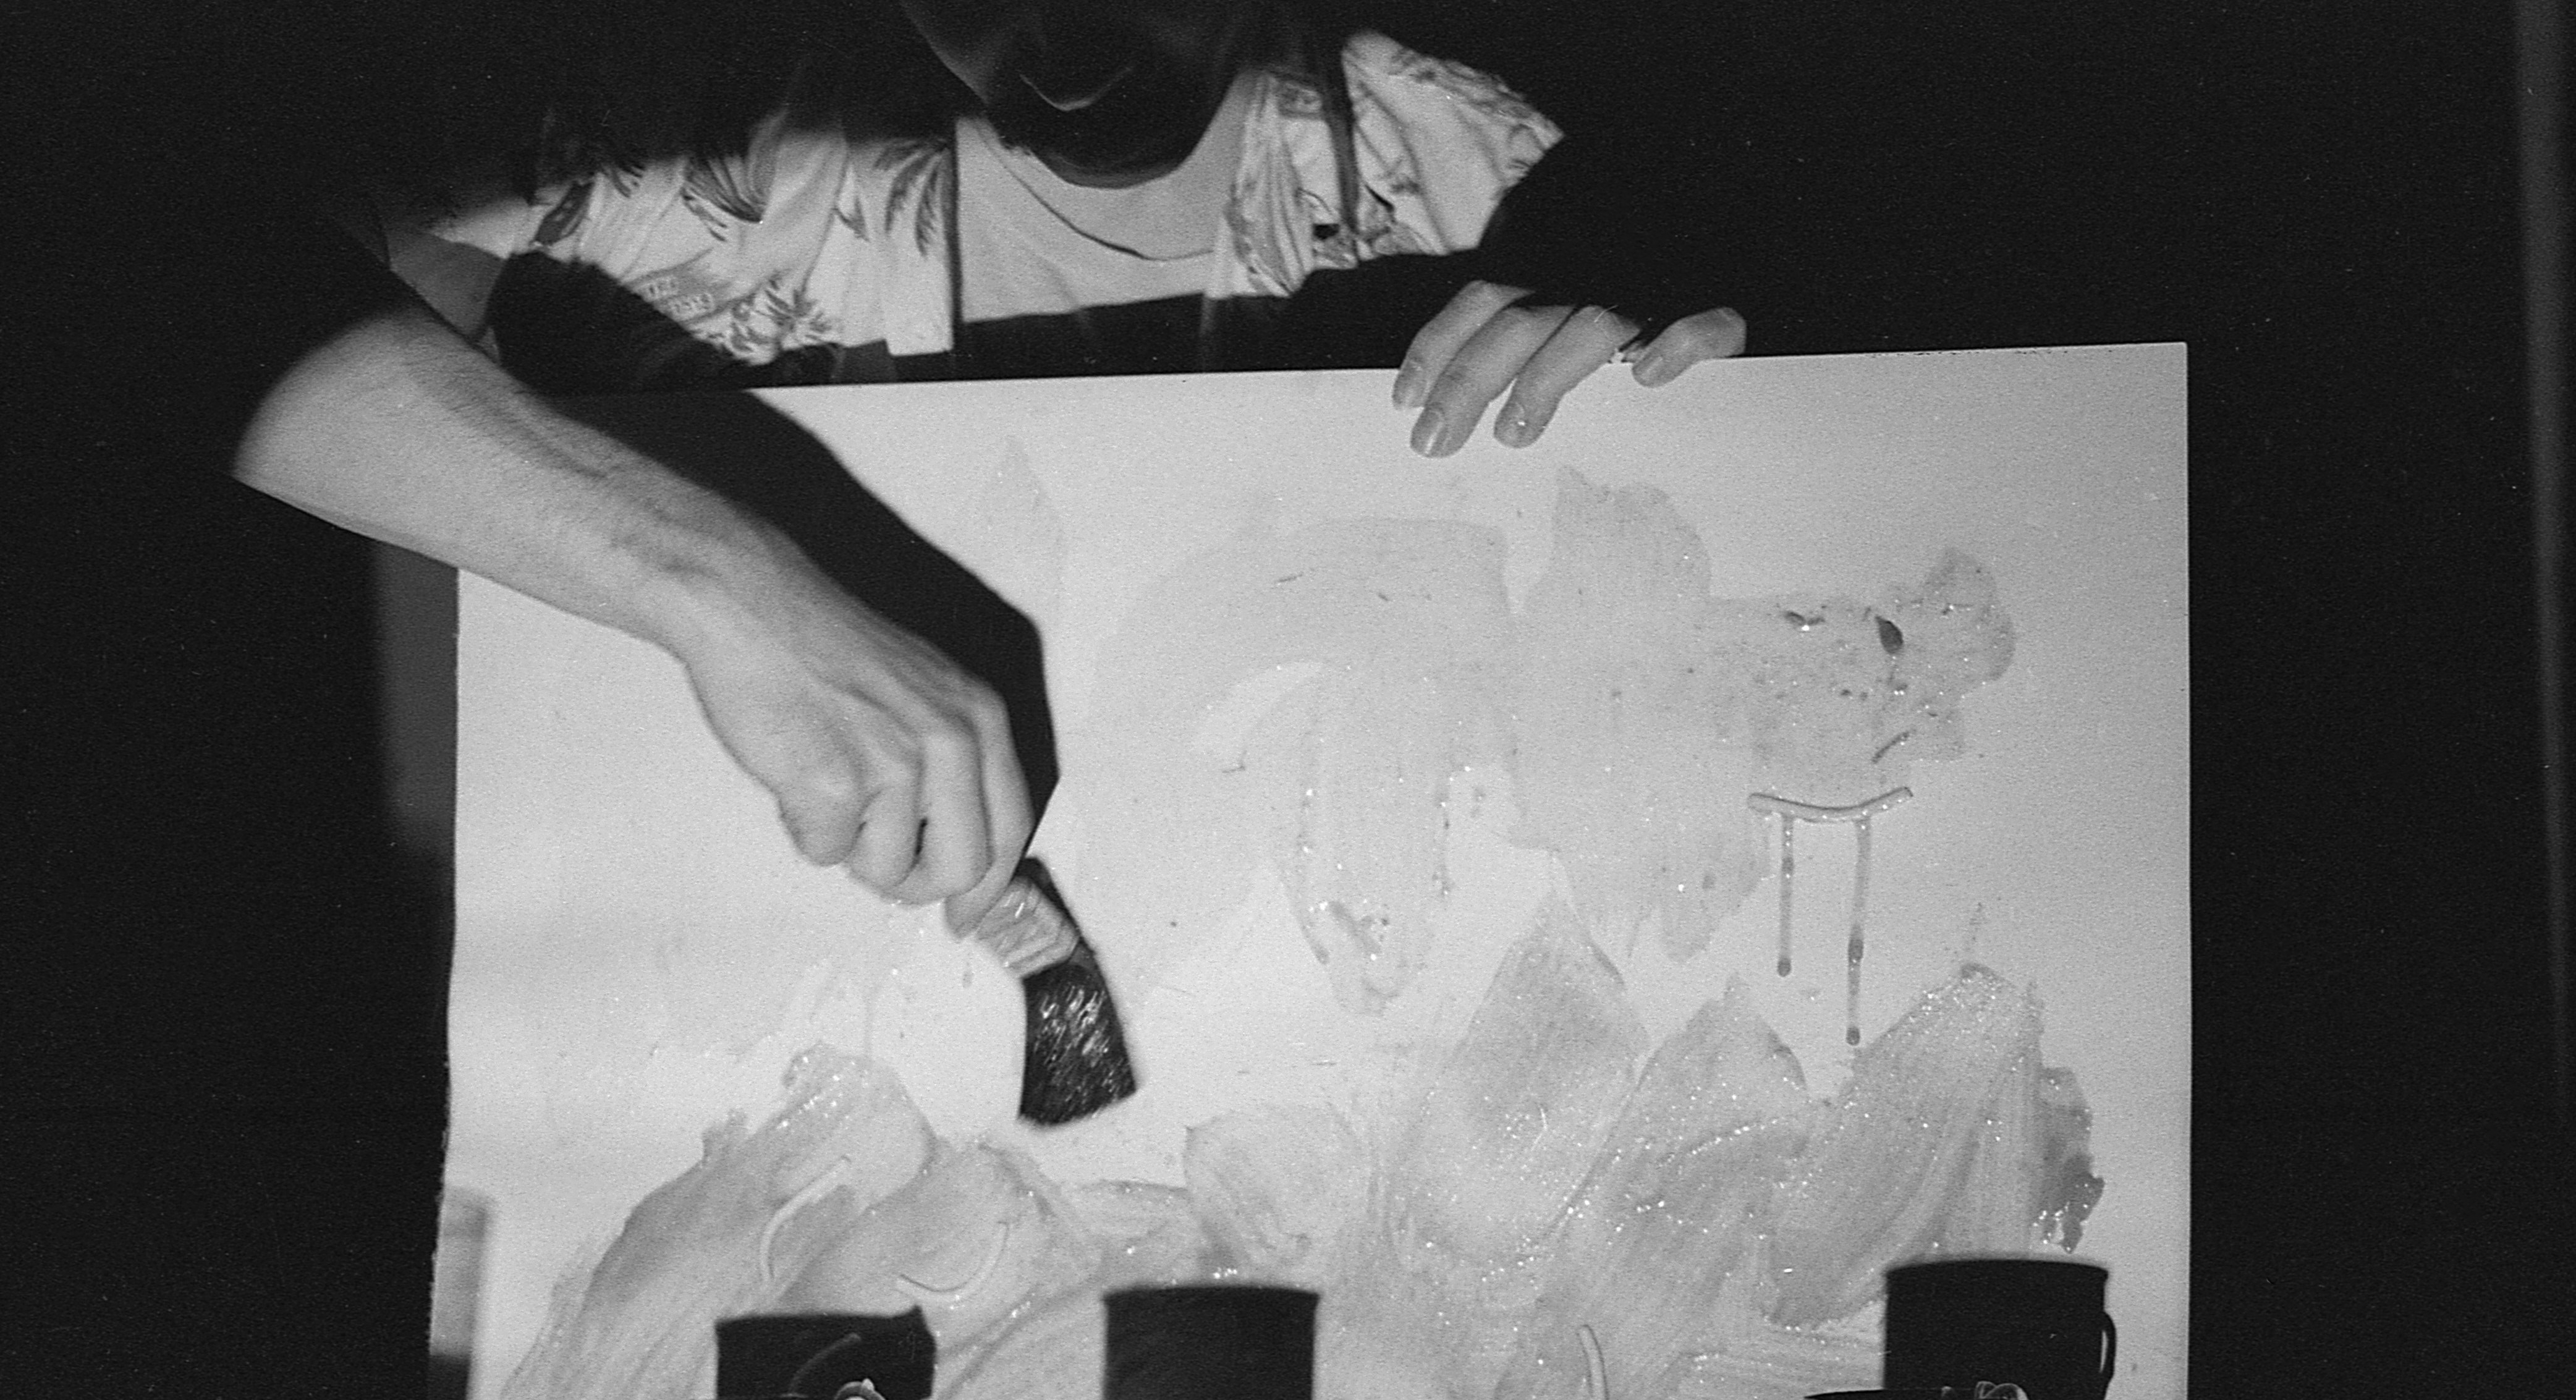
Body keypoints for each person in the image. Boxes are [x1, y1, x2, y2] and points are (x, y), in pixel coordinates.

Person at [244, 1, 1748, 942]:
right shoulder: (671, 132)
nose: (1064, 34)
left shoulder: (1488, 169)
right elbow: (136, 276)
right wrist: (714, 585)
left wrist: (1675, 373)